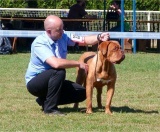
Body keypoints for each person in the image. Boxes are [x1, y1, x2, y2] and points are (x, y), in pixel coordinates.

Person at [25, 15, 110, 116]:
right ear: (48, 31)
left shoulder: (64, 36)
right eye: (59, 30)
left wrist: (99, 37)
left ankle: (44, 100)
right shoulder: (39, 43)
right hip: (35, 83)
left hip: (53, 80)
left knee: (83, 93)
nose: (62, 31)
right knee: (59, 71)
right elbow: (56, 64)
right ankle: (50, 109)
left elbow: (84, 40)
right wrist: (78, 63)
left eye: (62, 28)